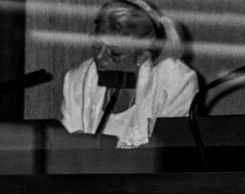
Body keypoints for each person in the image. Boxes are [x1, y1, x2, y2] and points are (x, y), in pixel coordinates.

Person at [60, 0, 198, 148]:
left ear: (142, 56)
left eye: (114, 53)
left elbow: (167, 154)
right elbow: (65, 148)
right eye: (96, 47)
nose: (99, 58)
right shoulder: (78, 79)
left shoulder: (176, 81)